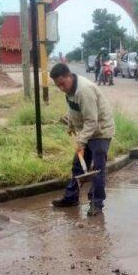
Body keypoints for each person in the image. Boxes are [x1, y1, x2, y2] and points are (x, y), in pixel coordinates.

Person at [49, 63, 114, 216]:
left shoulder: (84, 90)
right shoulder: (69, 89)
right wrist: (71, 125)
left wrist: (81, 141)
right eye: (58, 86)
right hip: (87, 130)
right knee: (78, 166)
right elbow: (73, 109)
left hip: (100, 131)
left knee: (98, 169)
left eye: (62, 84)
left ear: (69, 76)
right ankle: (71, 198)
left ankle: (96, 203)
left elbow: (92, 121)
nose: (61, 88)